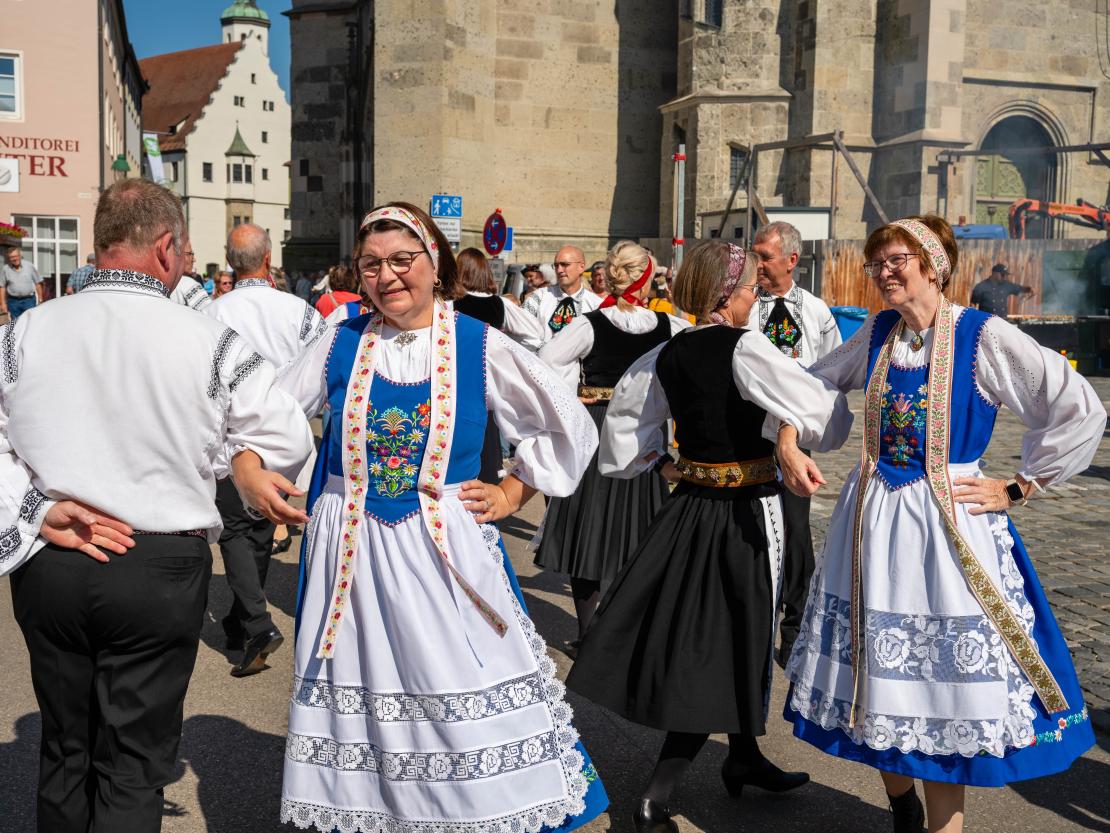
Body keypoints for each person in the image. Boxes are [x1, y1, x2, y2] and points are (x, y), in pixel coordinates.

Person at [276, 201, 608, 833]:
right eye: (371, 264)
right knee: (364, 691)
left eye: (403, 259)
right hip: (351, 547)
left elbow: (564, 422)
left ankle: (471, 813)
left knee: (454, 680)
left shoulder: (476, 341)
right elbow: (268, 412)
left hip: (442, 545)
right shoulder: (341, 340)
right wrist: (255, 469)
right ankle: (382, 813)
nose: (387, 275)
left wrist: (514, 492)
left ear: (436, 265)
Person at [0, 178, 312, 833]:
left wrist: (34, 509)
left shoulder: (30, 328)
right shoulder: (204, 338)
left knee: (64, 751)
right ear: (166, 249)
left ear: (102, 242)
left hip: (56, 553)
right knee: (134, 765)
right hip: (158, 562)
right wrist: (241, 461)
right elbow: (284, 431)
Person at [779, 216, 1104, 833]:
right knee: (876, 678)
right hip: (871, 525)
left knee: (940, 687)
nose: (883, 273)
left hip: (948, 526)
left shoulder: (982, 337)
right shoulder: (877, 332)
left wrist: (1019, 485)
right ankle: (903, 805)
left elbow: (1075, 404)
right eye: (877, 264)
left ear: (934, 265)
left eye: (895, 259)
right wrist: (791, 440)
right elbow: (810, 388)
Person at [567, 241, 848, 833]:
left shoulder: (667, 353)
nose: (755, 296)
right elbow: (828, 413)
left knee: (734, 635)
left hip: (690, 508)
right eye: (749, 289)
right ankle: (655, 798)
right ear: (728, 295)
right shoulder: (747, 347)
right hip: (745, 513)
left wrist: (668, 463)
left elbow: (621, 443)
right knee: (723, 645)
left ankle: (743, 757)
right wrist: (792, 433)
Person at [535, 241, 689, 652]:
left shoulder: (589, 324)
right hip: (643, 430)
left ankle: (589, 635)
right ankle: (627, 635)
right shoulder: (669, 327)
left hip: (598, 429)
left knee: (592, 529)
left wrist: (573, 394)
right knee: (637, 532)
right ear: (645, 278)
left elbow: (545, 362)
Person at [208, 222, 326, 677]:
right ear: (269, 257)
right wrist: (295, 416)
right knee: (257, 529)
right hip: (285, 435)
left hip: (235, 436)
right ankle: (241, 619)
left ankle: (255, 622)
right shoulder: (298, 311)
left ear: (230, 261)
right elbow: (322, 369)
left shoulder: (213, 312)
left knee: (238, 529)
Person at [751, 220, 842, 667]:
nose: (758, 265)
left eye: (765, 257)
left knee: (795, 529)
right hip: (747, 431)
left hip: (794, 436)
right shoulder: (744, 305)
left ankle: (794, 624)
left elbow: (831, 372)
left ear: (791, 260)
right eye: (755, 255)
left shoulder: (816, 311)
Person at [521, 245, 601, 349]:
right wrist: (545, 351)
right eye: (556, 265)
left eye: (564, 264)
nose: (559, 270)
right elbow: (521, 329)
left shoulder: (596, 305)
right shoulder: (539, 297)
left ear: (581, 267)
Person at [0, 247, 44, 320]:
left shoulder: (29, 266)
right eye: (11, 257)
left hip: (29, 300)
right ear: (8, 258)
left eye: (16, 256)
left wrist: (40, 299)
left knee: (30, 321)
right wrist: (3, 303)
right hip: (13, 301)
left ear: (20, 255)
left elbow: (38, 282)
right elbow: (2, 286)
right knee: (15, 324)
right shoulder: (5, 269)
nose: (14, 258)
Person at [170, 242, 213, 312]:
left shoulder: (161, 283)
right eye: (190, 254)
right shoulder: (187, 284)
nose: (194, 260)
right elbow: (211, 314)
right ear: (176, 255)